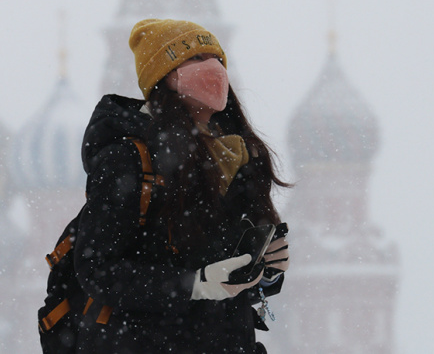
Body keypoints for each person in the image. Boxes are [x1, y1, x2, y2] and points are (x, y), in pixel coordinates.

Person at [72, 18, 290, 353]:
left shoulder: (239, 157)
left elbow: (233, 283)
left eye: (217, 58)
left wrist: (267, 270)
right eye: (195, 59)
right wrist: (194, 285)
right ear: (166, 78)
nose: (213, 68)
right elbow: (98, 270)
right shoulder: (129, 160)